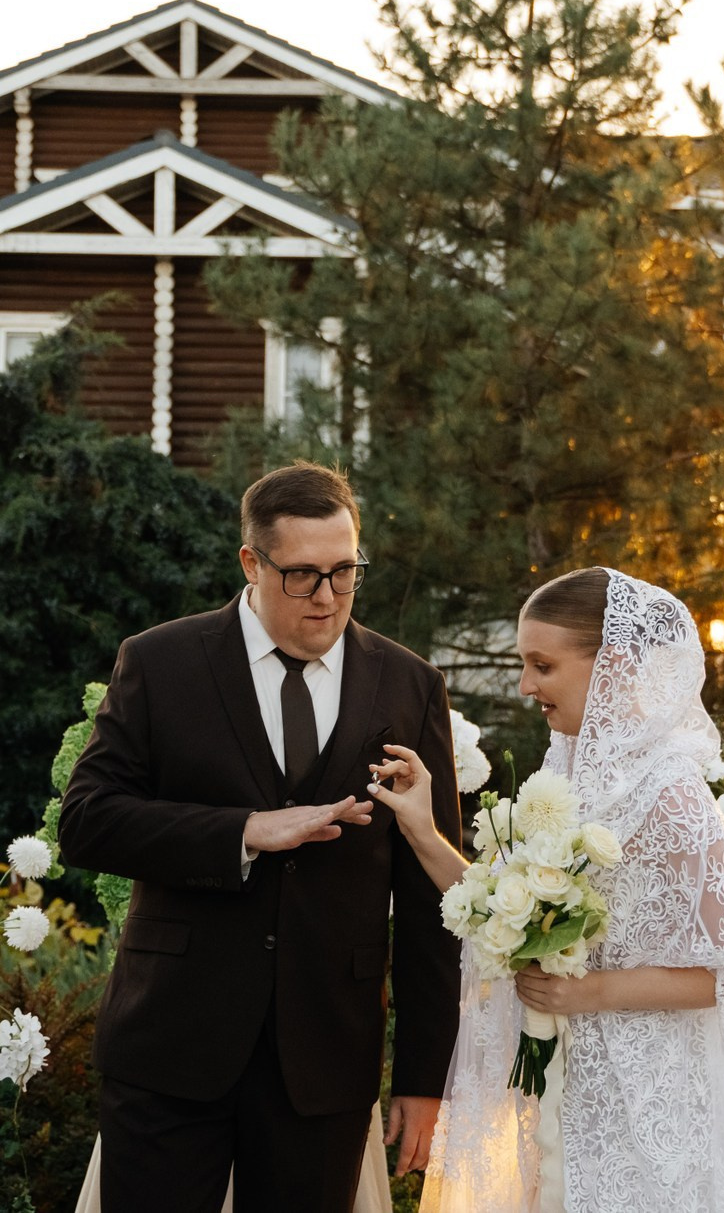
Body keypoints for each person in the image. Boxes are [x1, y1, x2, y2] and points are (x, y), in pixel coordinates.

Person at [59, 461, 462, 1213]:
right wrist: (242, 830)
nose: (327, 597)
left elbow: (430, 899)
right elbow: (86, 820)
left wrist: (421, 1074)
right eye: (303, 575)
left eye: (346, 572)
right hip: (170, 1044)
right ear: (252, 561)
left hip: (327, 1057)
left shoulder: (409, 684)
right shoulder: (160, 661)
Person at [368, 568, 724, 1213]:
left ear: (612, 663)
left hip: (641, 1107)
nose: (526, 684)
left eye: (542, 665)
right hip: (559, 1086)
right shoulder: (563, 770)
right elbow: (499, 913)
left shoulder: (670, 792)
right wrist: (421, 827)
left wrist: (592, 991)